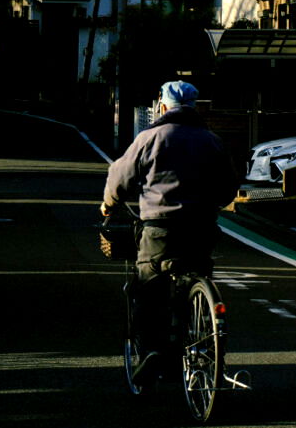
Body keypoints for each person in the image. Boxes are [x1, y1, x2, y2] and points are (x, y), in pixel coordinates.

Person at [101, 80, 239, 384]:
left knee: (148, 288)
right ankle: (203, 337)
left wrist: (108, 205)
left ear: (162, 107)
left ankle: (153, 351)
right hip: (201, 228)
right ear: (193, 107)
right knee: (197, 274)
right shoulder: (212, 140)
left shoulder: (149, 138)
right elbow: (229, 187)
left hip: (159, 228)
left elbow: (119, 178)